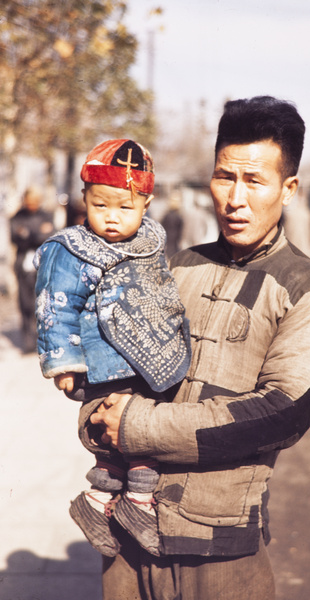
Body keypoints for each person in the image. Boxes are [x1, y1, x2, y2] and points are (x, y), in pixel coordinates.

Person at [90, 96, 310, 600]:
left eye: (254, 181)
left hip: (223, 554)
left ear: (288, 189)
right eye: (225, 177)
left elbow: (281, 413)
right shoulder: (174, 265)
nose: (234, 198)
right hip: (127, 542)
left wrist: (136, 425)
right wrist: (94, 411)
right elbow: (112, 359)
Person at [34, 139, 191, 557]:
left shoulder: (149, 242)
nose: (111, 219)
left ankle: (99, 500)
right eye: (100, 206)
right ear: (84, 197)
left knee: (138, 426)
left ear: (146, 204)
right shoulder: (71, 251)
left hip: (148, 351)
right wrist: (64, 363)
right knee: (132, 431)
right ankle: (137, 503)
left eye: (125, 208)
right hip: (104, 358)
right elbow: (56, 306)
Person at [10, 186, 55, 353]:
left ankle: (43, 340)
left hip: (42, 263)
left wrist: (29, 234)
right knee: (25, 303)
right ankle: (28, 341)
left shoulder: (46, 215)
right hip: (23, 264)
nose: (32, 205)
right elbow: (16, 238)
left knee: (43, 301)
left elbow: (50, 235)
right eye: (29, 202)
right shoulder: (17, 217)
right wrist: (36, 234)